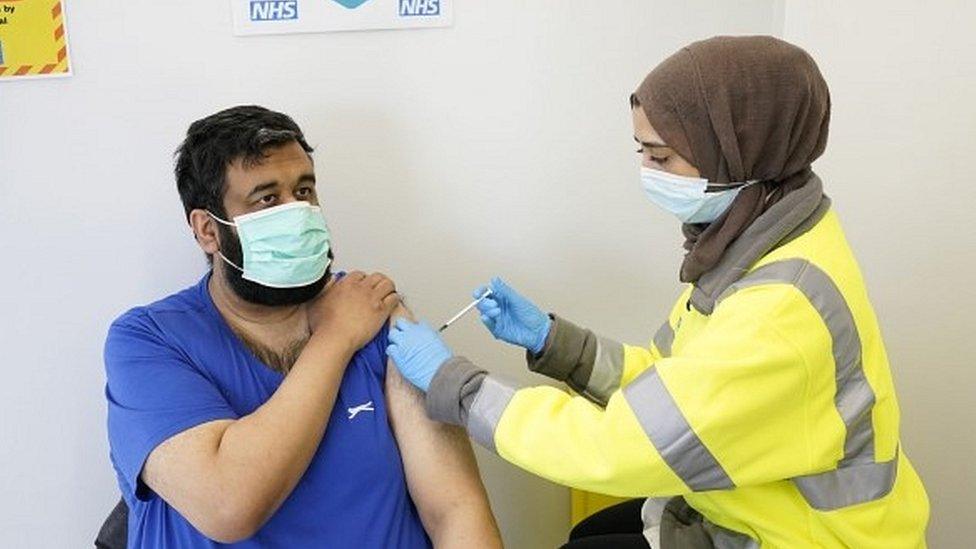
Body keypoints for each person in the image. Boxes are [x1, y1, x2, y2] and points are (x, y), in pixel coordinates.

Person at [385, 36, 929, 548]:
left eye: (661, 157)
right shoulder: (762, 238)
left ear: (736, 152)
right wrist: (557, 343)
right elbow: (676, 386)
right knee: (588, 536)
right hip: (747, 503)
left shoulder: (777, 307)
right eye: (641, 150)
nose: (645, 170)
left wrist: (454, 385)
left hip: (801, 537)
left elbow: (617, 448)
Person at [103, 106, 501, 548]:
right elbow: (229, 505)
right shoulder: (148, 341)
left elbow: (456, 510)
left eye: (304, 190)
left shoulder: (371, 309)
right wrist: (335, 339)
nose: (298, 212)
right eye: (267, 199)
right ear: (208, 231)